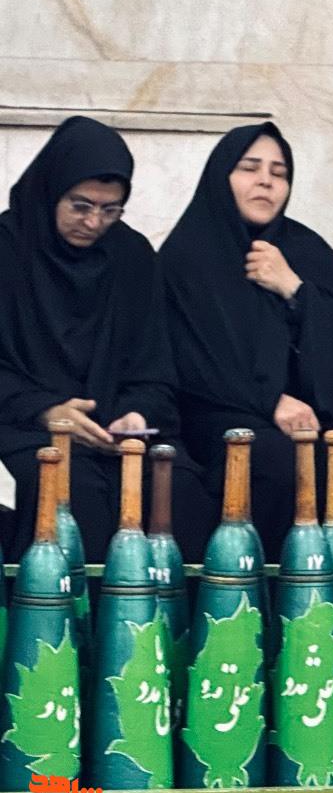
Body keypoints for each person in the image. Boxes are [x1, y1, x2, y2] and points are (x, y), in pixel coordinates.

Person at [159, 124, 333, 559]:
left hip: (311, 414)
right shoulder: (189, 254)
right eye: (250, 168)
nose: (266, 182)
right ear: (221, 176)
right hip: (219, 416)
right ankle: (266, 592)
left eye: (279, 172)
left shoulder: (304, 248)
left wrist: (294, 288)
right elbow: (189, 362)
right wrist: (269, 401)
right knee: (278, 461)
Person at [0, 116, 214, 561]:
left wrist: (137, 413)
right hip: (24, 420)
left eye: (110, 210)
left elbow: (154, 363)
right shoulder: (8, 249)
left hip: (113, 427)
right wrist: (47, 411)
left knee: (178, 488)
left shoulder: (131, 255)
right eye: (80, 206)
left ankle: (169, 611)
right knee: (72, 492)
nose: (94, 222)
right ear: (51, 192)